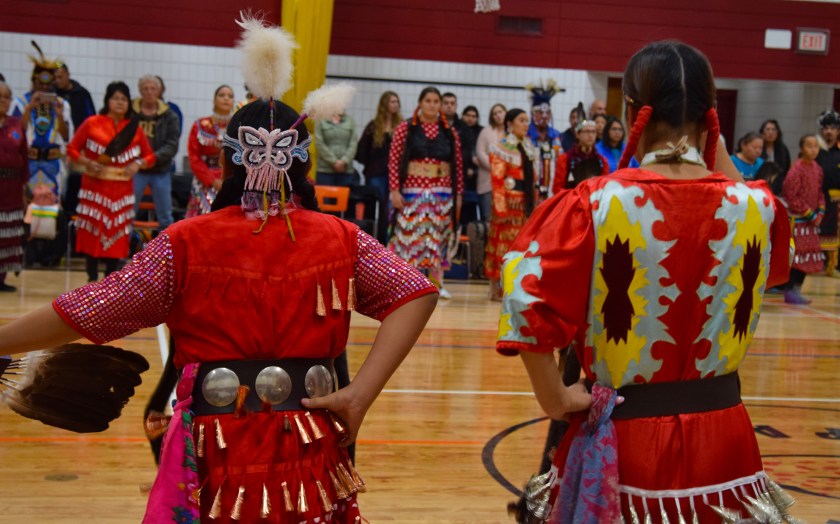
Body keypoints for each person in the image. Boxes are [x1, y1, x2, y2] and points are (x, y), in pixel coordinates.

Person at [0, 17, 438, 523]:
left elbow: (86, 309)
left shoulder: (188, 240)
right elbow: (417, 293)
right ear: (303, 165)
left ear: (231, 162)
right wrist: (360, 394)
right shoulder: (340, 236)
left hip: (217, 450)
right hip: (308, 448)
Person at [497, 41, 793, 523]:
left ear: (632, 110)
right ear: (710, 116)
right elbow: (772, 258)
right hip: (726, 438)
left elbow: (524, 291)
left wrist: (553, 397)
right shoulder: (760, 209)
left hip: (626, 443)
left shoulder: (593, 203)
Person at [66, 81, 155, 282]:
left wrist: (137, 164)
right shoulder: (92, 123)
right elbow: (71, 148)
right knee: (93, 231)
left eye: (124, 99)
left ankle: (109, 280)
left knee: (117, 233)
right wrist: (88, 162)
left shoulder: (134, 129)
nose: (119, 102)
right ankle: (91, 277)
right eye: (115, 98)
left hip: (121, 190)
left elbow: (150, 157)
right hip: (95, 187)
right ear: (107, 100)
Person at [388, 86, 464, 300]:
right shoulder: (406, 128)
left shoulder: (449, 131)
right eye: (428, 100)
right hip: (411, 192)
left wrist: (458, 195)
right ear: (420, 103)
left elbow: (457, 164)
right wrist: (394, 190)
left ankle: (436, 284)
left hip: (442, 193)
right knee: (409, 237)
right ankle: (405, 282)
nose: (432, 104)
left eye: (435, 101)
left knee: (437, 237)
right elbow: (393, 161)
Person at [485, 108, 536, 301]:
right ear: (510, 123)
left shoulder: (529, 147)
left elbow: (533, 180)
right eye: (521, 120)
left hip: (525, 204)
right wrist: (501, 208)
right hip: (508, 204)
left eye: (527, 121)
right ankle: (496, 287)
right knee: (502, 245)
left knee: (521, 245)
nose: (525, 124)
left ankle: (515, 285)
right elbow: (497, 180)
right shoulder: (501, 147)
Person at [133, 75, 180, 231]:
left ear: (159, 91)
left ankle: (164, 254)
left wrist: (152, 159)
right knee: (126, 213)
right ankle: (124, 250)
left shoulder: (170, 115)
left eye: (153, 88)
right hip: (135, 169)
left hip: (160, 170)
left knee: (165, 217)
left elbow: (172, 145)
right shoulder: (131, 114)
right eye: (145, 88)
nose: (149, 92)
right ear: (140, 91)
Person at [782, 135, 825, 304]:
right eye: (809, 146)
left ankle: (798, 290)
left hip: (812, 222)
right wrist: (809, 213)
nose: (813, 149)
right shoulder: (796, 169)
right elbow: (790, 195)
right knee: (797, 257)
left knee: (808, 257)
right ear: (801, 148)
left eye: (816, 146)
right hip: (799, 220)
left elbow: (820, 192)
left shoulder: (818, 169)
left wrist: (820, 211)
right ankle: (789, 290)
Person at [54, 62, 96, 219]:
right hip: (58, 145)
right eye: (55, 77)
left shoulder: (82, 94)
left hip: (79, 146)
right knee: (59, 181)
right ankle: (61, 212)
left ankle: (72, 210)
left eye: (60, 76)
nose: (58, 80)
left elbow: (92, 118)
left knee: (76, 179)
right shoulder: (52, 95)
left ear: (68, 74)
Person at [185, 85, 234, 218]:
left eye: (230, 96)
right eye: (222, 95)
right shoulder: (200, 125)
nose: (226, 98)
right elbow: (194, 158)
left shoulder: (238, 126)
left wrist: (229, 180)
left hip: (231, 180)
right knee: (202, 218)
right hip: (204, 179)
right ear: (214, 100)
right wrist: (212, 181)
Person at [0, 82, 29, 292]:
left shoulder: (16, 125)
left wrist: (24, 189)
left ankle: (1, 278)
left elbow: (24, 158)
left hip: (11, 186)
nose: (3, 100)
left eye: (6, 97)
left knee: (8, 231)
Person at [355, 90, 402, 202]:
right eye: (392, 102)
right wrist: (370, 165)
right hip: (376, 172)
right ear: (385, 104)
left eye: (397, 102)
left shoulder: (402, 126)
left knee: (391, 204)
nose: (396, 104)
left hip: (395, 173)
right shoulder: (373, 126)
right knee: (377, 201)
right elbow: (362, 149)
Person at [551, 118, 609, 194]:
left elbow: (604, 187)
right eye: (587, 131)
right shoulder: (566, 159)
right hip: (571, 201)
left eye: (593, 132)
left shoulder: (602, 161)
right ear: (577, 134)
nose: (590, 135)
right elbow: (557, 188)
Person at [526, 81, 563, 198]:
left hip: (551, 187)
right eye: (540, 113)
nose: (544, 116)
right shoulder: (526, 135)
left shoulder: (556, 135)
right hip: (531, 186)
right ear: (532, 114)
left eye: (548, 113)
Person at [817, 109, 840, 275]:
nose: (829, 131)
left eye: (833, 128)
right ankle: (817, 263)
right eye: (826, 128)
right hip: (819, 200)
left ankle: (835, 265)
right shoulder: (815, 151)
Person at [474, 103, 507, 221]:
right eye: (494, 113)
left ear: (506, 112)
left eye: (500, 112)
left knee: (504, 219)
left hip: (507, 183)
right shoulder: (486, 132)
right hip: (488, 181)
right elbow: (480, 153)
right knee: (488, 217)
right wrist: (496, 167)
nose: (498, 115)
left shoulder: (511, 133)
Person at [314, 111, 358, 187]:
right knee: (324, 198)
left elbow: (354, 143)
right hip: (325, 170)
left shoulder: (350, 120)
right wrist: (333, 162)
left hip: (346, 171)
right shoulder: (321, 120)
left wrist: (344, 161)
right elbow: (319, 143)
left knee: (345, 198)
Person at [460, 105, 482, 197]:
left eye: (473, 116)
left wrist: (474, 171)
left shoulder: (481, 132)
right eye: (468, 115)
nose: (470, 118)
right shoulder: (457, 129)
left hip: (476, 176)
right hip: (460, 172)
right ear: (463, 116)